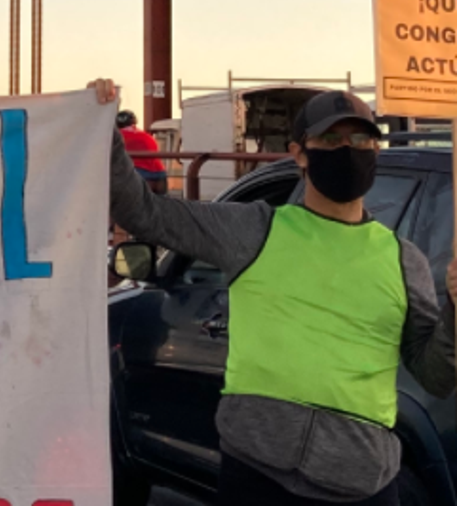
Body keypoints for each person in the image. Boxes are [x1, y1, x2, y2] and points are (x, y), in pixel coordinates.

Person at [96, 80, 456, 505]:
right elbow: (145, 212)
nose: (347, 149)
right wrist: (103, 126)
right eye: (330, 138)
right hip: (258, 476)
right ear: (299, 152)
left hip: (364, 487)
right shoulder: (255, 231)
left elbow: (435, 374)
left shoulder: (403, 259)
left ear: (376, 149)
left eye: (360, 137)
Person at [117, 109, 169, 195]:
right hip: (160, 172)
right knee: (160, 204)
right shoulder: (146, 135)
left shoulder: (118, 136)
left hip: (139, 173)